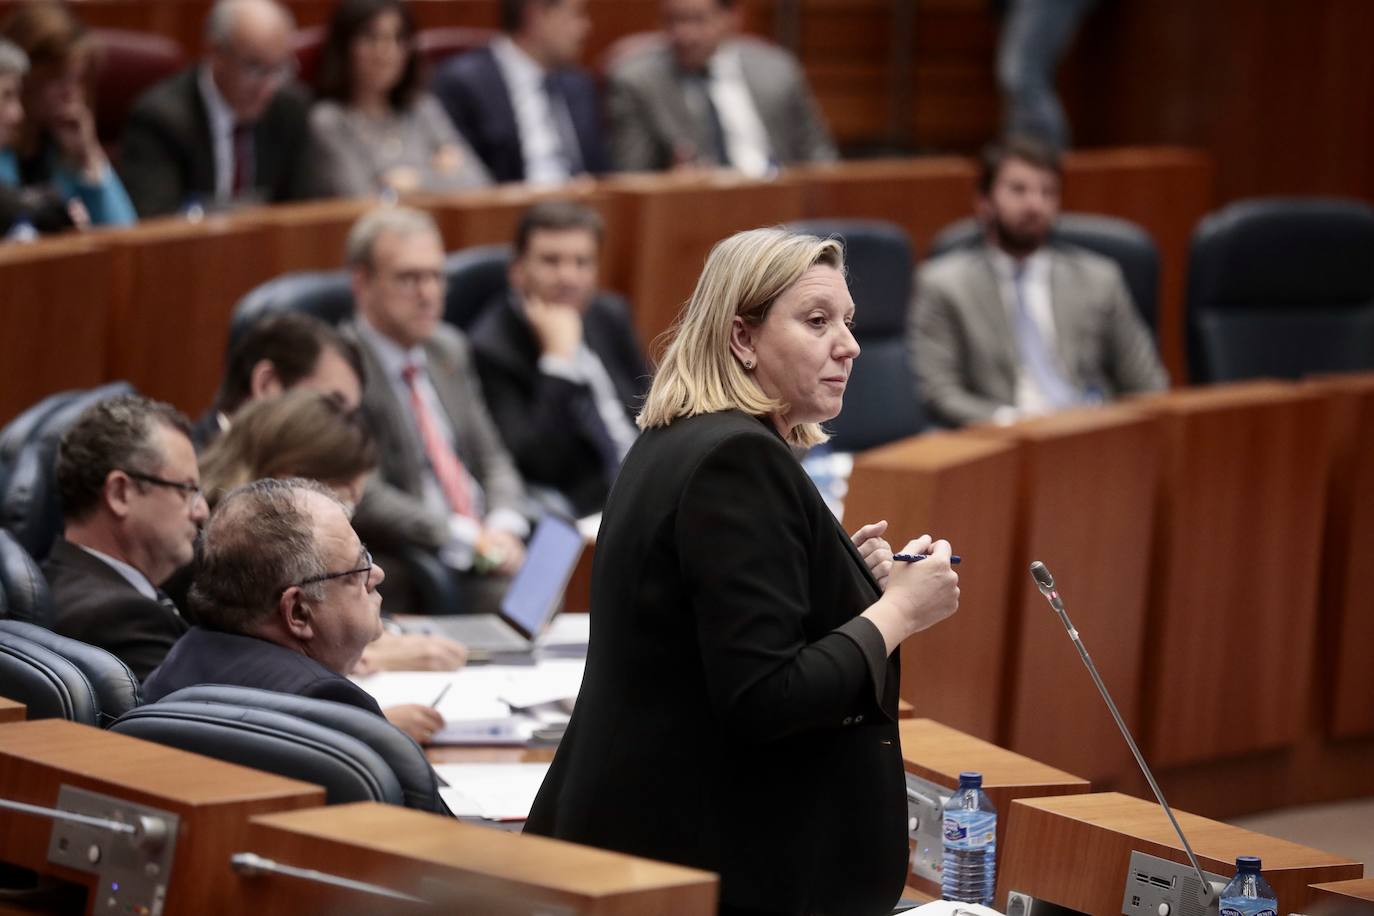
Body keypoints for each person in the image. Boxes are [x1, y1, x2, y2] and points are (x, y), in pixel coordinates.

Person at [525, 228, 961, 914]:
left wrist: (849, 583)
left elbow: (720, 633)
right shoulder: (737, 462)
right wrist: (901, 610)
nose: (847, 344)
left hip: (656, 848)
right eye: (817, 322)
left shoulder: (682, 438)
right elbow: (766, 696)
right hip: (706, 871)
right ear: (742, 339)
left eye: (846, 322)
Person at [197, 389, 466, 743]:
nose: (377, 575)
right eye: (345, 497)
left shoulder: (191, 652)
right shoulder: (213, 557)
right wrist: (373, 728)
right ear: (291, 480)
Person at [340, 206, 530, 614]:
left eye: (436, 277)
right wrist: (462, 535)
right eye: (409, 279)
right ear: (362, 282)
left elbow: (491, 456)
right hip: (422, 552)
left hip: (485, 543)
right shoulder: (342, 365)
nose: (428, 294)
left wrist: (502, 522)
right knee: (511, 598)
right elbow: (364, 493)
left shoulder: (449, 348)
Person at [909, 135, 1168, 427]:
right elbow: (939, 392)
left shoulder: (1100, 279)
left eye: (1048, 192)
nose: (1035, 204)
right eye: (1019, 190)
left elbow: (1147, 383)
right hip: (1002, 439)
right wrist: (1011, 423)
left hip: (1090, 433)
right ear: (984, 202)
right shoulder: (943, 284)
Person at [142, 478, 388, 718]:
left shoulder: (174, 667)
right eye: (359, 567)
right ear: (298, 612)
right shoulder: (326, 701)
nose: (377, 574)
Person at [470, 200, 646, 517]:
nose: (569, 277)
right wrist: (558, 363)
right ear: (517, 271)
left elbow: (653, 403)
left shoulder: (608, 313)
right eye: (551, 261)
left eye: (582, 263)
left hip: (650, 481)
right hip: (592, 509)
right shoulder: (491, 347)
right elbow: (538, 465)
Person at [43, 395, 208, 681]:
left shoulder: (56, 577)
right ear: (120, 494)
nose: (201, 510)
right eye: (186, 489)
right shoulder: (121, 618)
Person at [118, 0, 314, 217]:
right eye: (254, 67)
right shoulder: (161, 119)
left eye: (279, 68)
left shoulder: (290, 109)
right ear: (215, 53)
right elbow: (156, 222)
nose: (268, 87)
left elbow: (302, 210)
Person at [605, 0, 835, 175]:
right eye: (673, 20)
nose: (685, 34)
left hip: (779, 203)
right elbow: (631, 175)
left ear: (732, 17)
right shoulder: (638, 81)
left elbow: (819, 156)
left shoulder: (776, 69)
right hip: (696, 208)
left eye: (698, 20)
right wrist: (669, 180)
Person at [308, 0, 489, 198]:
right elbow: (359, 199)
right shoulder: (329, 121)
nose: (386, 51)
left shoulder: (423, 109)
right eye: (371, 37)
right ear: (345, 46)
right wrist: (440, 173)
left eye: (398, 38)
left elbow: (479, 184)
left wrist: (415, 182)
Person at [431, 0, 608, 185]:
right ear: (536, 16)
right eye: (575, 15)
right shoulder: (464, 83)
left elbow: (602, 173)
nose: (585, 27)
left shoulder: (579, 85)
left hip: (582, 208)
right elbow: (462, 177)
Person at [0, 3, 136, 228]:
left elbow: (126, 236)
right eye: (58, 79)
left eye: (77, 80)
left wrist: (89, 158)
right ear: (24, 79)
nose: (71, 95)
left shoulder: (63, 148)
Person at [195, 312, 365, 449]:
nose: (347, 434)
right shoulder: (188, 478)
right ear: (267, 385)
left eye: (350, 417)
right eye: (334, 405)